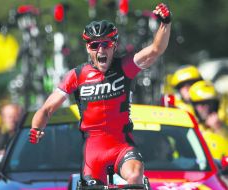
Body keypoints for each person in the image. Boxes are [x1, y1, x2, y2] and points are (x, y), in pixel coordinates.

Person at [29, 3, 171, 186]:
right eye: (95, 45)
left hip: (122, 145)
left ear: (114, 45)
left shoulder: (125, 66)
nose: (101, 50)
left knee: (135, 177)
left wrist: (165, 23)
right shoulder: (77, 75)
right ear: (88, 48)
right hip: (93, 151)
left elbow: (156, 49)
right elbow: (47, 109)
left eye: (107, 44)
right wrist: (36, 128)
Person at [189, 80, 228, 160]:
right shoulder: (189, 126)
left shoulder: (223, 124)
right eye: (201, 104)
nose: (206, 108)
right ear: (194, 105)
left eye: (210, 103)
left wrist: (220, 129)